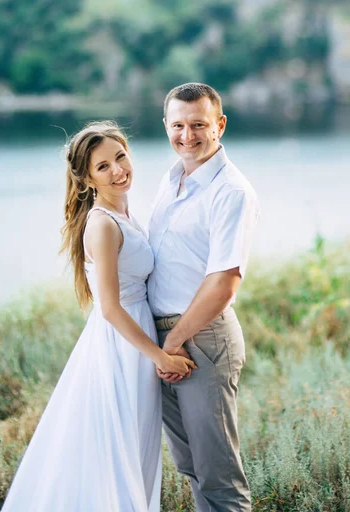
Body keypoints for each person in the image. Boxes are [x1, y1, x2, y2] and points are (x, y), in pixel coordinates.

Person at [1, 121, 195, 512]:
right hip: (122, 348)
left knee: (133, 446)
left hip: (135, 339)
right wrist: (160, 356)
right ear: (87, 179)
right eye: (103, 167)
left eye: (120, 157)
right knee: (118, 449)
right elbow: (108, 307)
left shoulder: (123, 214)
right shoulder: (103, 225)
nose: (118, 170)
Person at [147, 83, 260, 512]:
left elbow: (224, 281)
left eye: (199, 125)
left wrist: (173, 343)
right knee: (192, 467)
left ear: (220, 126)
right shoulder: (173, 178)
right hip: (165, 341)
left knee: (219, 478)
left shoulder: (231, 191)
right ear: (166, 126)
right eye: (178, 125)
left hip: (201, 341)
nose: (187, 135)